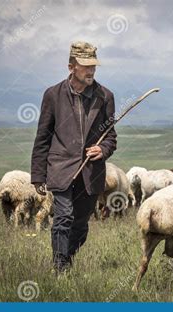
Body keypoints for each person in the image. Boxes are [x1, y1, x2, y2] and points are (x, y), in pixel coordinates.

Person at [31, 41, 117, 273]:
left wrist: (103, 149)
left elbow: (111, 137)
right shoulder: (52, 95)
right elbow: (43, 137)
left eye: (94, 66)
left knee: (80, 225)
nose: (91, 71)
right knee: (63, 217)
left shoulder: (105, 96)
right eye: (85, 66)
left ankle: (67, 257)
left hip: (91, 172)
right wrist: (38, 176)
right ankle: (60, 267)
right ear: (71, 67)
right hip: (61, 168)